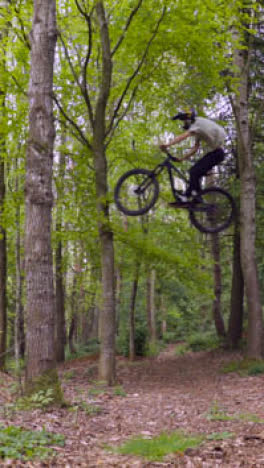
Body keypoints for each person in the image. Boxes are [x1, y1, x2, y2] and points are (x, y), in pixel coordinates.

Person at [159, 109, 227, 204]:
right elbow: (195, 148)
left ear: (189, 119)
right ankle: (195, 197)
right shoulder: (198, 127)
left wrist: (167, 145)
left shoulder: (197, 124)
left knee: (193, 172)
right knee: (194, 172)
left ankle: (189, 197)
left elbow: (183, 136)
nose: (183, 123)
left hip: (217, 153)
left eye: (184, 120)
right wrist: (182, 158)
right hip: (217, 153)